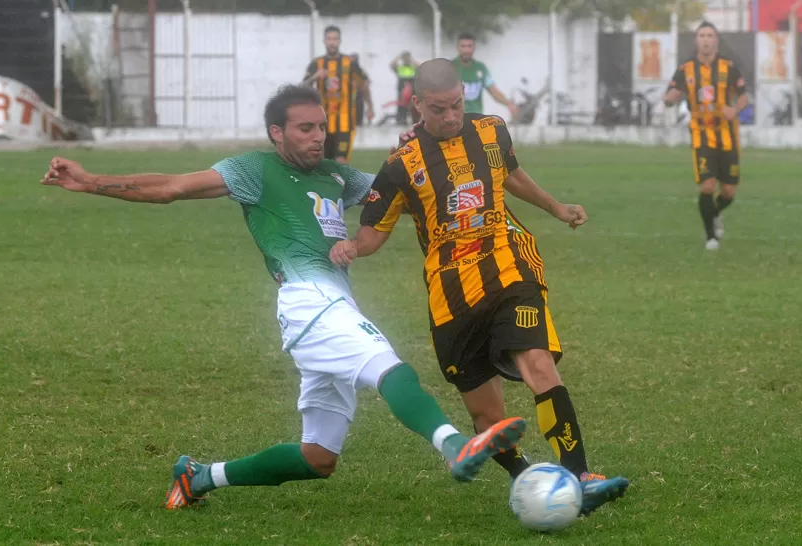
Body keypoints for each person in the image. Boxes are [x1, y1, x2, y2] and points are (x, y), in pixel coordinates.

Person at [40, 84, 527, 510]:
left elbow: (407, 193)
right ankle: (454, 445)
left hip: (332, 306)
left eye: (321, 127)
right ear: (277, 133)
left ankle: (200, 475)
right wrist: (89, 182)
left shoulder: (338, 176)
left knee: (319, 458)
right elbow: (171, 187)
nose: (317, 137)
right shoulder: (255, 171)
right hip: (306, 298)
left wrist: (418, 146)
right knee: (388, 365)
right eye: (304, 129)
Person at [329, 60, 629, 516]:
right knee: (486, 417)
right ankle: (529, 480)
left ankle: (580, 474)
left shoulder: (492, 130)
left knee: (538, 362)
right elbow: (372, 234)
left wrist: (556, 207)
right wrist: (349, 247)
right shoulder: (400, 165)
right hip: (450, 293)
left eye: (456, 105)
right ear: (417, 105)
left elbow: (510, 174)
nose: (450, 116)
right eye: (438, 109)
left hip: (508, 266)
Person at [663, 21, 749, 250]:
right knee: (707, 186)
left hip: (727, 135)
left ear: (716, 40)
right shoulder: (686, 69)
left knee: (729, 192)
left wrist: (734, 109)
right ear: (696, 40)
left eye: (710, 35)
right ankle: (711, 237)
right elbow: (672, 92)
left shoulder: (728, 68)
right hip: (702, 135)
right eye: (702, 35)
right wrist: (669, 99)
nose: (706, 39)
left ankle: (713, 213)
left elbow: (743, 96)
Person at [303, 26, 375, 164]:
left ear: (339, 41)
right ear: (324, 41)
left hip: (345, 121)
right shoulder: (316, 63)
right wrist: (315, 77)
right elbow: (303, 86)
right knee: (323, 162)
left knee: (341, 161)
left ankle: (341, 185)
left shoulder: (350, 63)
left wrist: (370, 107)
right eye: (329, 39)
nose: (332, 42)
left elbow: (364, 84)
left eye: (335, 39)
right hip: (322, 122)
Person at [452, 33, 519, 119]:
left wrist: (509, 104)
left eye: (469, 46)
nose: (466, 50)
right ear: (458, 48)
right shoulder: (450, 68)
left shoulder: (481, 68)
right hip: (456, 119)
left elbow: (493, 90)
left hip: (476, 119)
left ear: (474, 47)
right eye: (463, 46)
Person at [390, 51, 419, 125]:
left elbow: (421, 66)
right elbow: (391, 65)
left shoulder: (413, 67)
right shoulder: (400, 67)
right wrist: (398, 57)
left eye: (407, 58)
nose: (406, 60)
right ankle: (401, 120)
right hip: (402, 87)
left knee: (414, 105)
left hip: (412, 86)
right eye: (404, 58)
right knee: (401, 105)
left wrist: (411, 60)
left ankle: (415, 120)